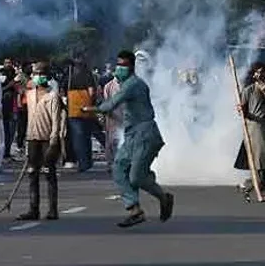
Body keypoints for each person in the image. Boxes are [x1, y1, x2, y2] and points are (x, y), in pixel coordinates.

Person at [82, 50, 174, 228]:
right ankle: (134, 210)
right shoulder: (126, 84)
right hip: (132, 134)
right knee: (118, 168)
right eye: (118, 65)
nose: (119, 69)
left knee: (136, 177)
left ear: (131, 67)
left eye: (123, 66)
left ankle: (164, 197)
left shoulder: (134, 85)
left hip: (145, 134)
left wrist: (89, 109)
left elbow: (111, 104)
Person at [17, 62, 64, 221]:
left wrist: (54, 141)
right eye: (35, 74)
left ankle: (52, 210)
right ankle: (33, 209)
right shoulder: (29, 95)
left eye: (41, 74)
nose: (38, 77)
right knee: (32, 173)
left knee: (49, 173)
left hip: (47, 139)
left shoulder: (53, 97)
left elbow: (57, 121)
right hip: (32, 138)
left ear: (46, 76)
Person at [234, 61, 265, 203]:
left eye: (263, 72)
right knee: (260, 162)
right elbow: (243, 111)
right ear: (254, 73)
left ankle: (247, 184)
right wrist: (241, 110)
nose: (260, 74)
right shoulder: (248, 90)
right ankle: (264, 191)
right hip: (254, 129)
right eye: (258, 72)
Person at [66, 57, 100, 172]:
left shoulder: (70, 75)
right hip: (85, 110)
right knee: (85, 137)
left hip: (74, 110)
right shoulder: (87, 75)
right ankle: (86, 162)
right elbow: (92, 92)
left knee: (79, 138)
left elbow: (91, 91)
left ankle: (84, 164)